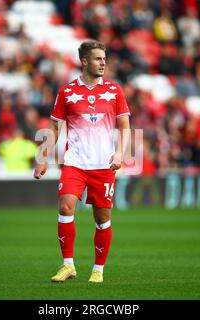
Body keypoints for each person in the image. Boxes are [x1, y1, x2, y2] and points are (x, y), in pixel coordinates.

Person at [33, 40, 131, 283]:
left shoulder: (114, 91)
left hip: (103, 165)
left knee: (102, 219)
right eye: (98, 59)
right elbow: (54, 129)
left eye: (104, 59)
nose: (103, 63)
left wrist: (120, 153)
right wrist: (42, 158)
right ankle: (68, 265)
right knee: (65, 208)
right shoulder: (67, 92)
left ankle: (98, 269)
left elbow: (125, 126)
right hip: (74, 163)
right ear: (84, 61)